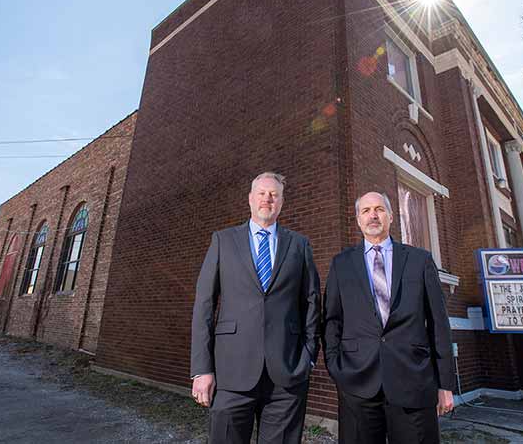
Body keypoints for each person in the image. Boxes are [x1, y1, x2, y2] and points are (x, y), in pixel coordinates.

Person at [190, 172, 321, 444]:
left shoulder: (299, 245)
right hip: (230, 372)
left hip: (286, 374)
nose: (267, 198)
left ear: (282, 202)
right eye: (261, 193)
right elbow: (204, 305)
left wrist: (308, 356)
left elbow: (311, 302)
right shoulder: (223, 241)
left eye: (274, 194)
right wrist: (202, 369)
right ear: (250, 199)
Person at [323, 191, 455, 444]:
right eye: (366, 210)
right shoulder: (341, 264)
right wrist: (335, 366)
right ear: (358, 220)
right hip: (357, 384)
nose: (373, 215)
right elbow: (331, 320)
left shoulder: (420, 260)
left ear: (391, 217)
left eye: (379, 209)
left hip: (413, 382)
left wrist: (445, 384)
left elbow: (438, 323)